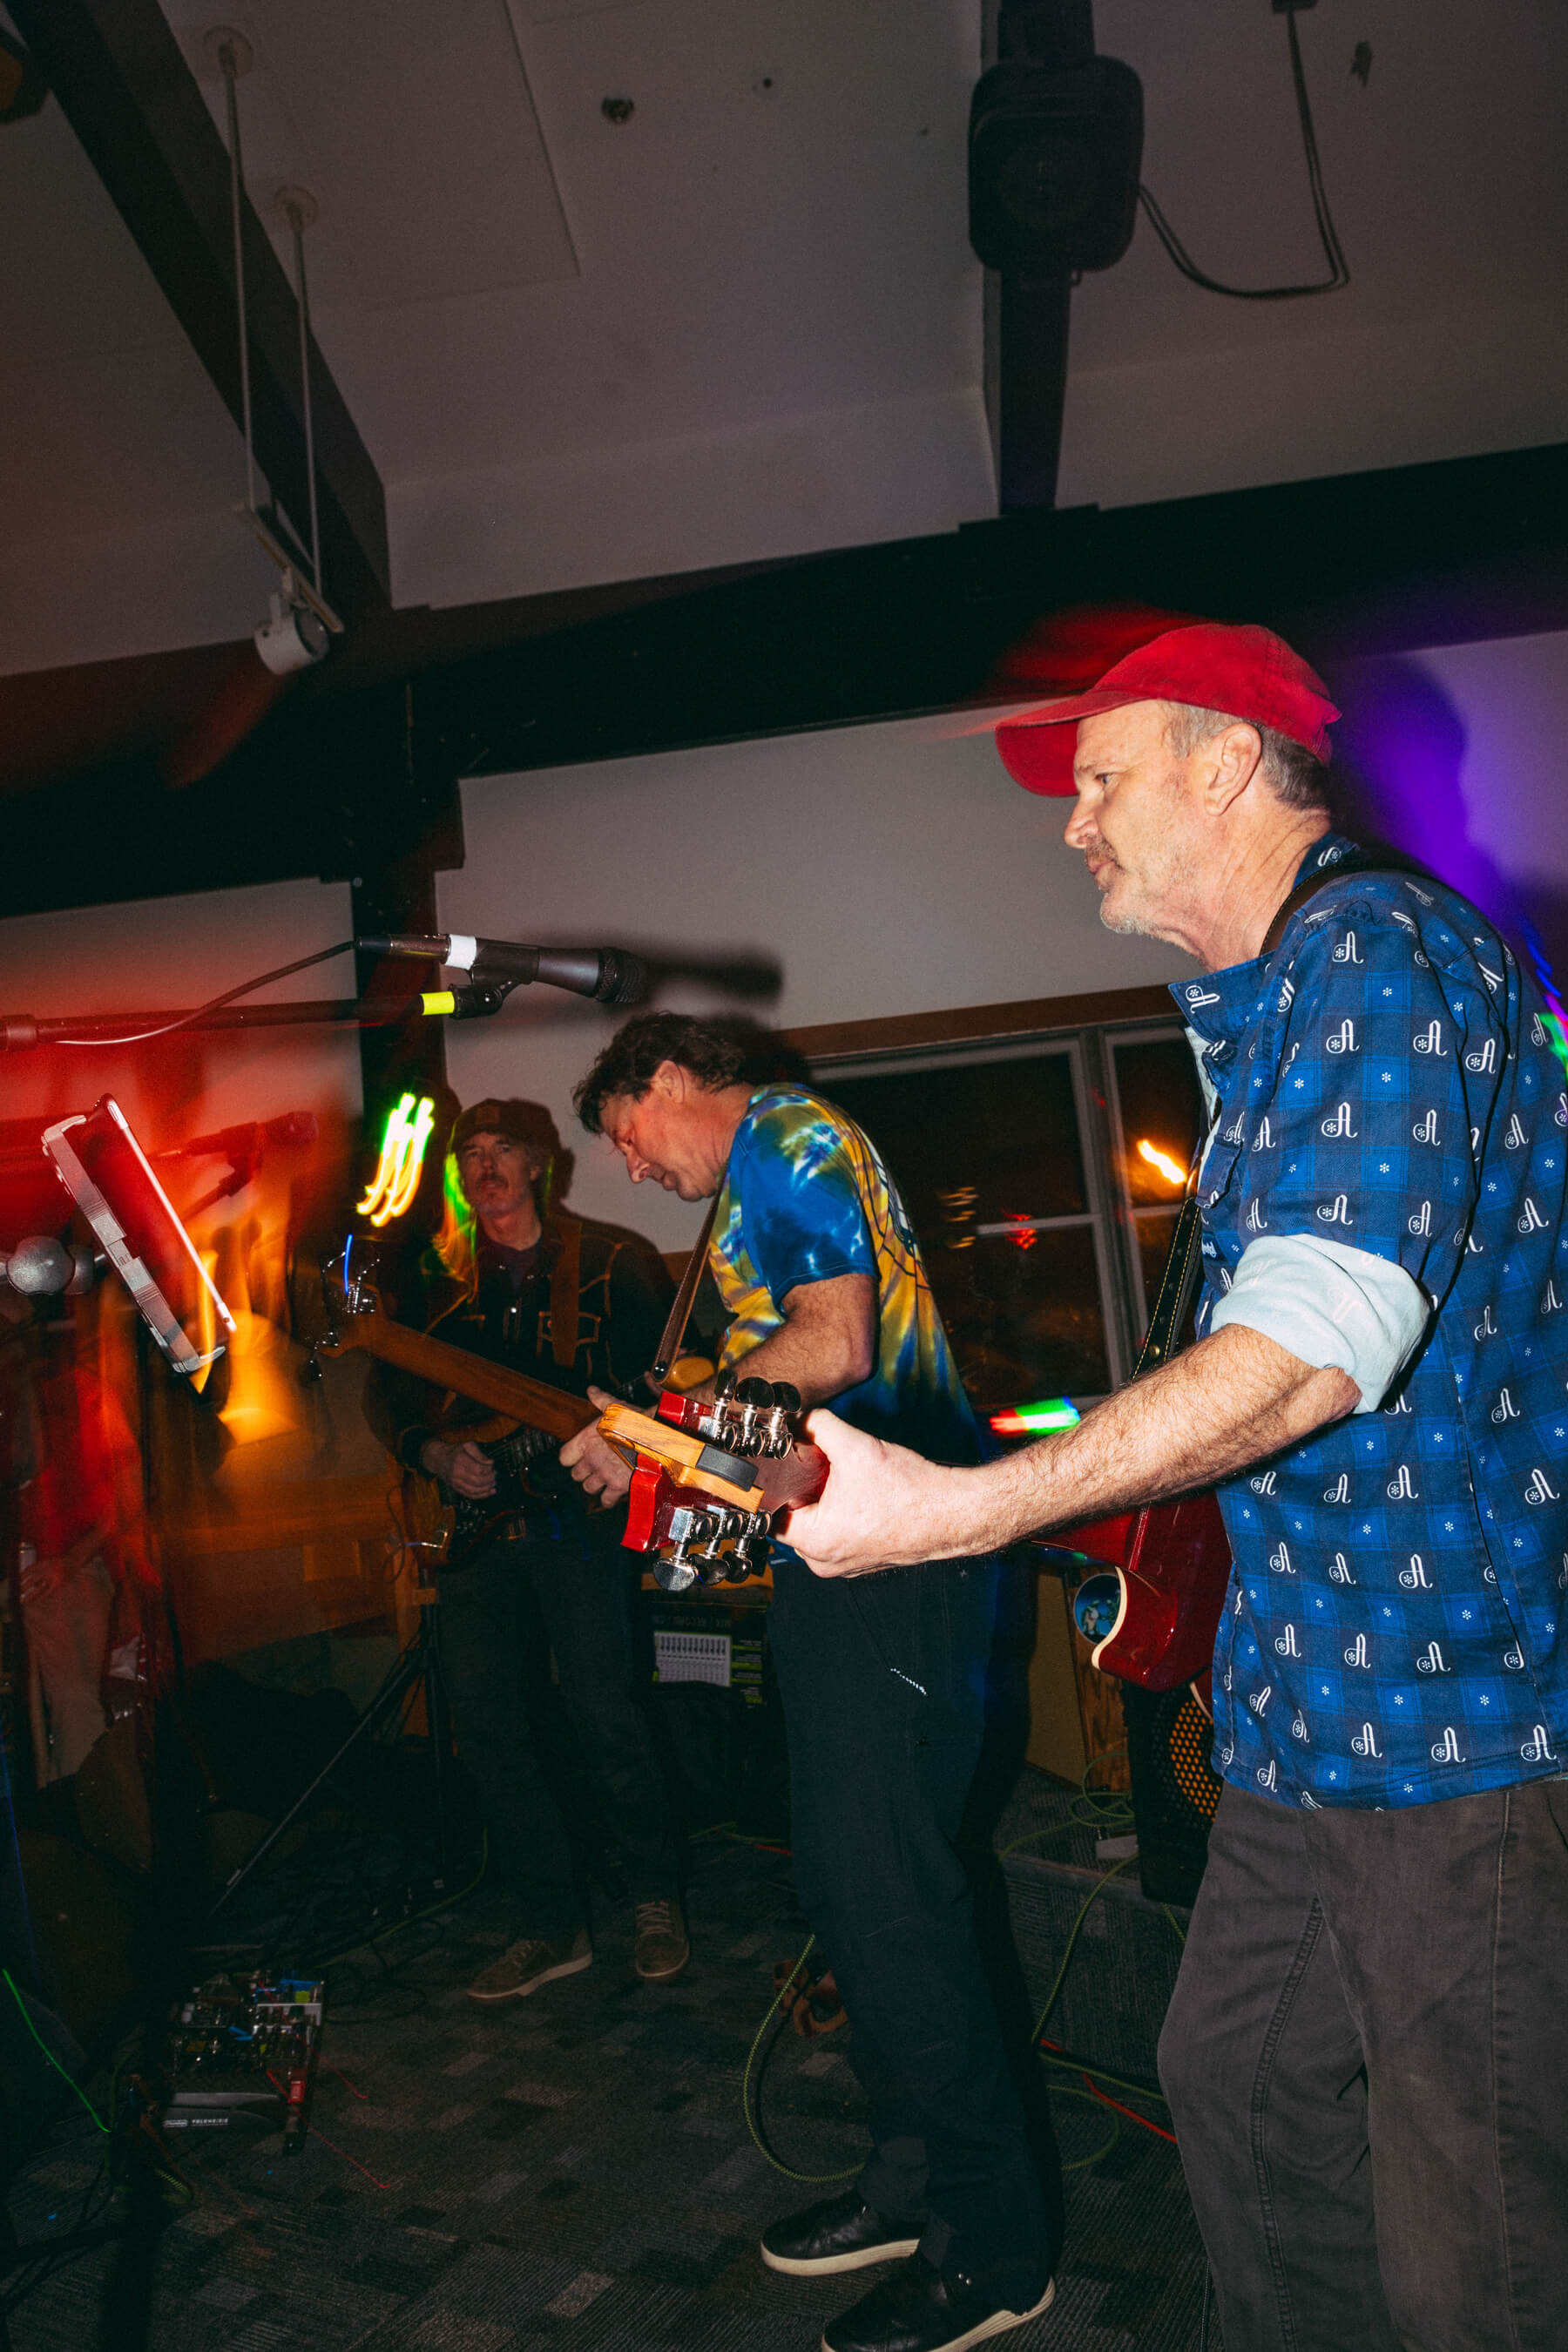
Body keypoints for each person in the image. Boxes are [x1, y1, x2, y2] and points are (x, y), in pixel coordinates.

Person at [785, 620, 1568, 2352]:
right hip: (1310, 1724)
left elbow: (1313, 1346)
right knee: (1234, 2078)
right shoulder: (1281, 1000)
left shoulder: (1376, 950)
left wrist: (966, 1506)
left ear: (1224, 764)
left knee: (1479, 2235)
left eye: (1099, 778)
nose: (1073, 823)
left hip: (1460, 1724)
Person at [561, 1018, 1059, 2352]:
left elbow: (834, 1347)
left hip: (899, 1560)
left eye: (624, 1136)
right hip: (848, 1558)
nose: (634, 1172)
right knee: (852, 1891)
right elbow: (796, 1396)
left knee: (890, 1896)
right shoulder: (774, 1170)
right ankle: (911, 2187)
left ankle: (996, 2246)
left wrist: (663, 1436)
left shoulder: (782, 1132)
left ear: (667, 1080)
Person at [373, 1097, 688, 1999]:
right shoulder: (431, 1282)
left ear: (540, 1163)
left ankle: (654, 1902)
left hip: (579, 1525)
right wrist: (432, 1452)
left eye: (504, 1149)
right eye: (470, 1154)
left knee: (607, 1717)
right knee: (489, 1731)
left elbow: (671, 1383)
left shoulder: (615, 1260)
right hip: (477, 1539)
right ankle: (550, 1926)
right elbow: (385, 1396)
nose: (485, 1166)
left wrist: (620, 1433)